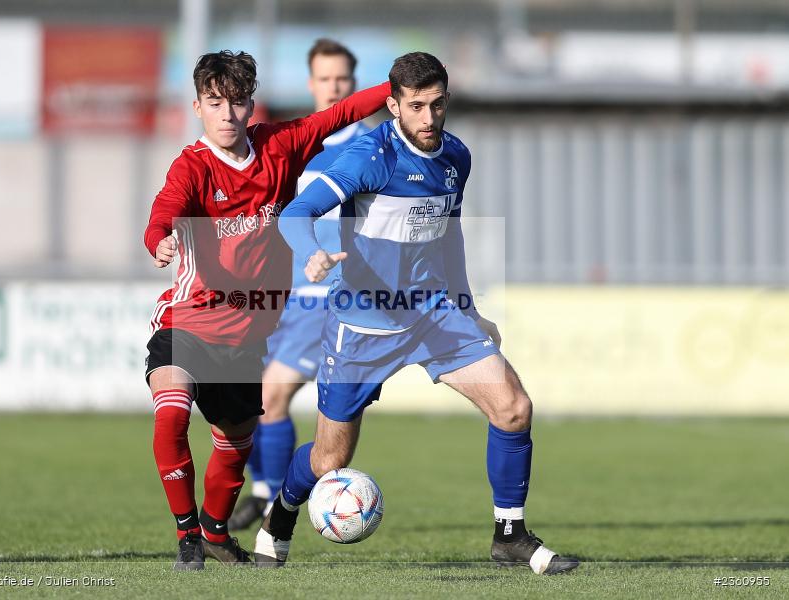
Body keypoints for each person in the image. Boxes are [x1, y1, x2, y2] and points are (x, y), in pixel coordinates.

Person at [253, 52, 579, 575]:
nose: (429, 118)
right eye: (417, 106)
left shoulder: (456, 158)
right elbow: (298, 212)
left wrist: (468, 307)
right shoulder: (369, 157)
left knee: (514, 408)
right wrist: (312, 251)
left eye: (437, 104)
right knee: (330, 461)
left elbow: (448, 237)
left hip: (430, 312)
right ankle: (281, 514)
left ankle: (509, 533)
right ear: (394, 106)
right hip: (362, 322)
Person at [144, 49, 389, 570]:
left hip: (246, 331)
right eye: (216, 103)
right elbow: (165, 209)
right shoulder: (191, 166)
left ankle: (214, 532)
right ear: (197, 107)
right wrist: (160, 238)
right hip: (188, 317)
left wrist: (400, 88)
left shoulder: (280, 146)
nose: (227, 115)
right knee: (171, 414)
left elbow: (339, 114)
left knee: (234, 442)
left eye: (236, 103)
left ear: (250, 105)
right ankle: (188, 534)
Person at [230, 38, 369, 532]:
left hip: (328, 296)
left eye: (343, 79)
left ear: (355, 84)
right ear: (311, 83)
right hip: (279, 295)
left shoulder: (370, 147)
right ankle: (268, 491)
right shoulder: (295, 143)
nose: (334, 87)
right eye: (325, 79)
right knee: (245, 398)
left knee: (272, 395)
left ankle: (273, 500)